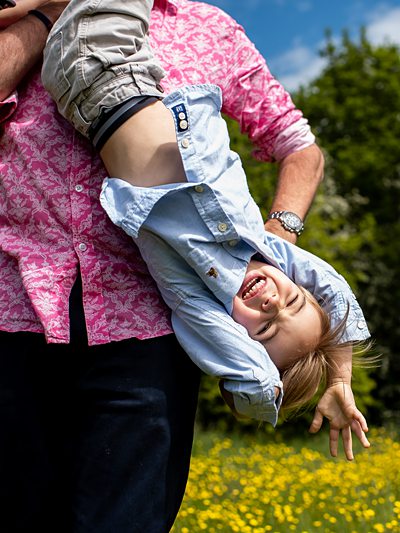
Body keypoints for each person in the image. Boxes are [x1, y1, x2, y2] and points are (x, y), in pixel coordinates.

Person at [0, 1, 368, 532]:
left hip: (139, 328)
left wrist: (281, 231)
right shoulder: (279, 267)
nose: (271, 302)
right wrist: (341, 369)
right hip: (16, 312)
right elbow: (333, 295)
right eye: (290, 300)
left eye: (266, 325)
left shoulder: (198, 302)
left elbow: (299, 148)